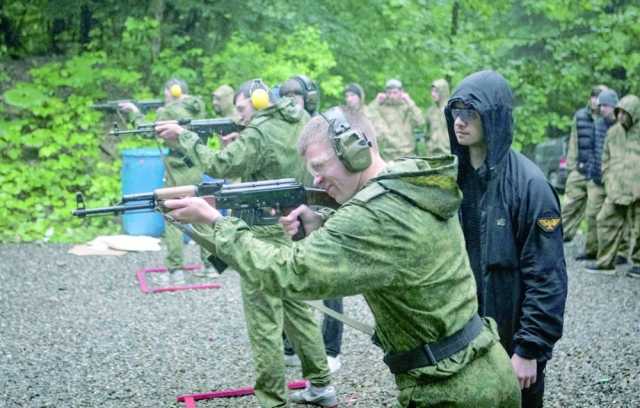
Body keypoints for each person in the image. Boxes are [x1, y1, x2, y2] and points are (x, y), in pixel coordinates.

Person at [163, 107, 521, 407]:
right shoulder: (409, 181)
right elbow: (386, 239)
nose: (316, 181)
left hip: (451, 391)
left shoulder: (371, 216)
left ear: (356, 151)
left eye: (321, 167)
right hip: (486, 364)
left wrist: (215, 222)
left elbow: (288, 274)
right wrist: (319, 221)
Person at [155, 79, 335, 408]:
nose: (239, 115)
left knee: (264, 320)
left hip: (261, 232)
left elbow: (218, 166)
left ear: (259, 101)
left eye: (242, 109)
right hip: (289, 227)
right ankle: (321, 384)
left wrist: (184, 137)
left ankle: (272, 400)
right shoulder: (296, 119)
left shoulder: (260, 130)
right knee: (297, 310)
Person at [444, 70, 568, 407]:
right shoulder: (449, 181)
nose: (460, 122)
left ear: (494, 117)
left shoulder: (531, 186)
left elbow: (547, 276)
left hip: (514, 340)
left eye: (471, 112)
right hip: (462, 340)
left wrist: (529, 349)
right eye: (456, 112)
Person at [119, 78, 215, 283]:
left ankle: (175, 270)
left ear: (172, 91)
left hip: (178, 169)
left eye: (165, 91)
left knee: (172, 215)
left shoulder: (167, 113)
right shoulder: (198, 107)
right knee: (201, 214)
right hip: (197, 166)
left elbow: (146, 130)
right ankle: (210, 266)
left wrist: (134, 111)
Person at [279, 75, 344, 373]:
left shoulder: (320, 125)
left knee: (330, 282)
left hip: (321, 206)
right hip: (294, 207)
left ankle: (331, 349)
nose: (291, 98)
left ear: (309, 97)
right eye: (286, 94)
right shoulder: (278, 126)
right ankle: (290, 344)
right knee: (290, 274)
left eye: (297, 93)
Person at [587, 94, 640, 277]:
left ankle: (638, 264)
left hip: (638, 191)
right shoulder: (613, 132)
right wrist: (608, 178)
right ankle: (605, 263)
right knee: (604, 221)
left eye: (625, 113)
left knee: (639, 228)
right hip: (616, 189)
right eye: (619, 112)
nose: (620, 117)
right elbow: (605, 158)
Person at [561, 85, 606, 256]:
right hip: (579, 170)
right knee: (569, 205)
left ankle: (592, 248)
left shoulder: (608, 118)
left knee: (593, 212)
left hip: (596, 172)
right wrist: (571, 168)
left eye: (599, 96)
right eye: (593, 96)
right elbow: (573, 142)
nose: (595, 99)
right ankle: (559, 236)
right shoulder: (580, 116)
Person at [367, 79, 424, 161]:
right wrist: (376, 101)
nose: (391, 96)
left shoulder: (408, 108)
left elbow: (420, 122)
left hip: (408, 155)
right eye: (389, 93)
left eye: (395, 92)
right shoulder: (381, 108)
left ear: (401, 92)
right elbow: (367, 117)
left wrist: (410, 102)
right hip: (388, 156)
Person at [424, 78, 451, 155]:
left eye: (436, 91)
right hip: (432, 154)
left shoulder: (451, 110)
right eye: (432, 91)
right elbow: (427, 134)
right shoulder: (430, 111)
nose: (433, 94)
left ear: (443, 92)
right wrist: (429, 145)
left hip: (448, 153)